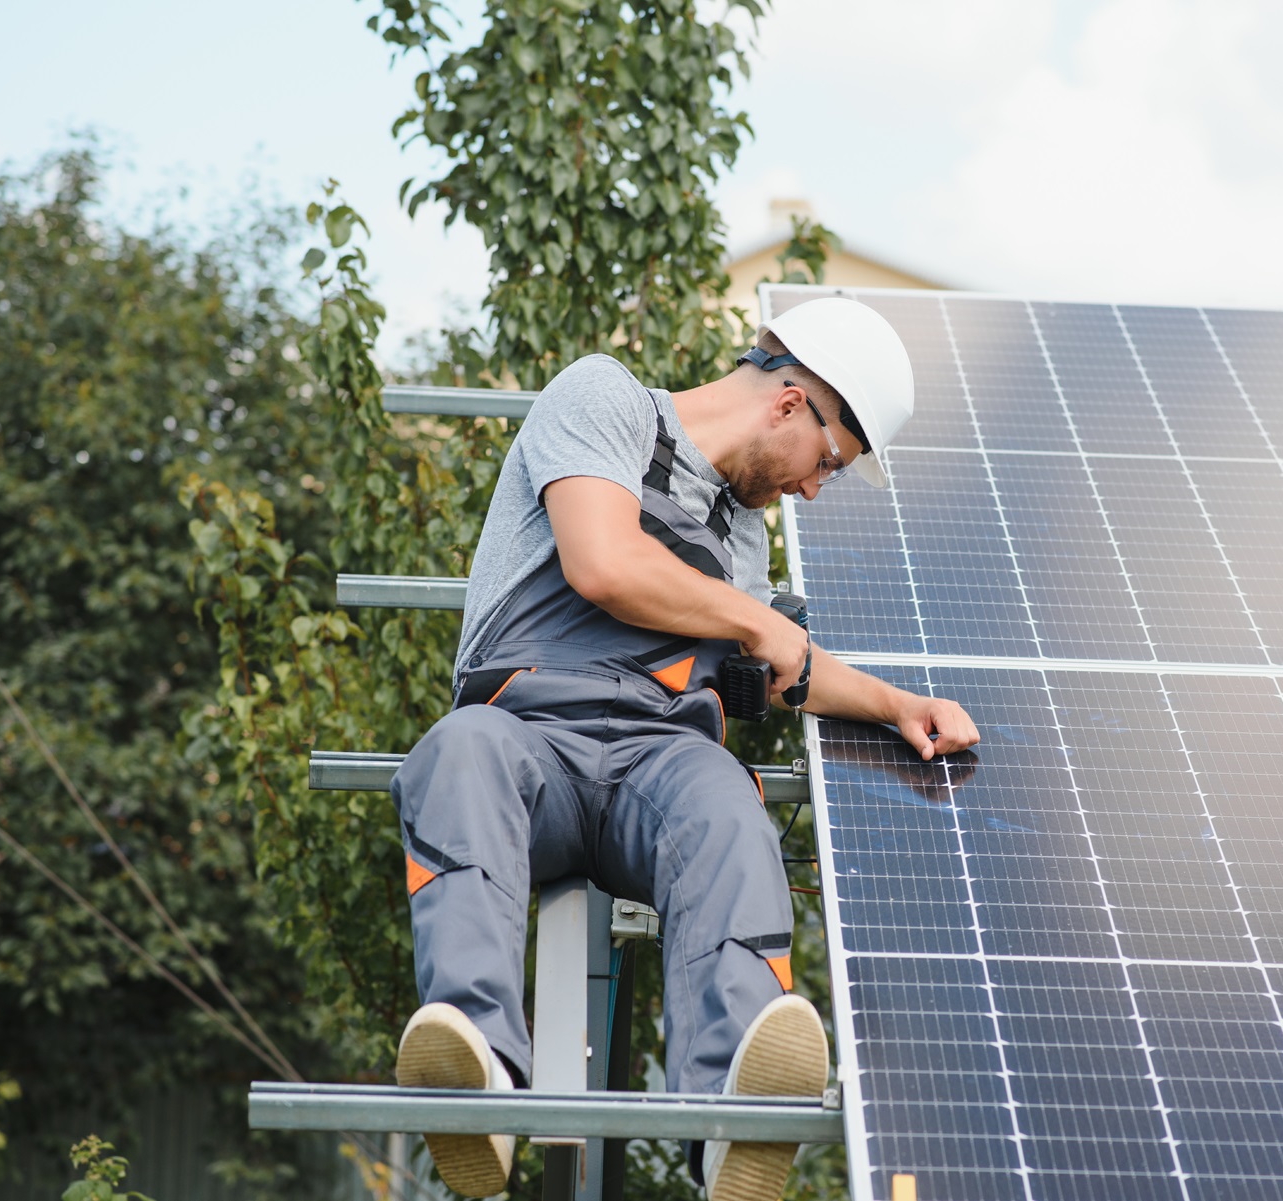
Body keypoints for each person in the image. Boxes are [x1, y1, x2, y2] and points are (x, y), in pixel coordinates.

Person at [387, 297, 982, 1201]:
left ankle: (730, 1124)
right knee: (456, 750)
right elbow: (605, 562)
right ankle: (480, 1083)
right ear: (788, 403)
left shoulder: (742, 538)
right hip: (524, 738)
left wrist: (897, 703)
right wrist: (754, 620)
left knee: (725, 800)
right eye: (826, 462)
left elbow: (791, 668)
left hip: (655, 768)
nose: (814, 490)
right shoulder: (604, 401)